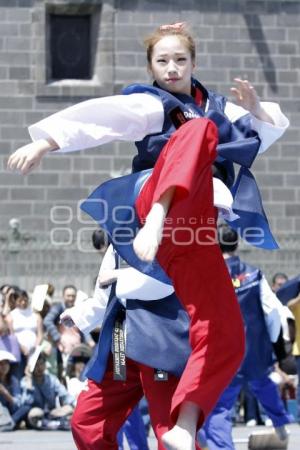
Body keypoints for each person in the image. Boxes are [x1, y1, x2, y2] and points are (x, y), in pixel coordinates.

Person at [7, 22, 289, 450]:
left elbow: (260, 136)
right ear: (150, 67)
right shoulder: (153, 104)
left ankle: (185, 424)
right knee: (195, 134)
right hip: (147, 204)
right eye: (163, 61)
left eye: (180, 60)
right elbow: (104, 119)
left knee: (217, 342)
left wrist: (257, 110)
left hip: (186, 243)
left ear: (195, 63)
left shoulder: (214, 109)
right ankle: (158, 214)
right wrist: (48, 141)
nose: (172, 68)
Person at [201, 224, 291, 450]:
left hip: (222, 353)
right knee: (263, 384)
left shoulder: (207, 276)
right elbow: (272, 313)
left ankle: (221, 447)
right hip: (253, 349)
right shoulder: (254, 274)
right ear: (237, 244)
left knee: (220, 407)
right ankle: (280, 422)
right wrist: (275, 349)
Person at [5, 289, 43, 378]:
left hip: (34, 352)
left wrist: (35, 347)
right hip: (18, 352)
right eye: (20, 300)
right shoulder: (11, 316)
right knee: (19, 375)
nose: (23, 302)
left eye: (25, 300)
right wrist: (22, 348)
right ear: (15, 301)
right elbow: (12, 335)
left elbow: (40, 334)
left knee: (35, 376)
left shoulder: (36, 315)